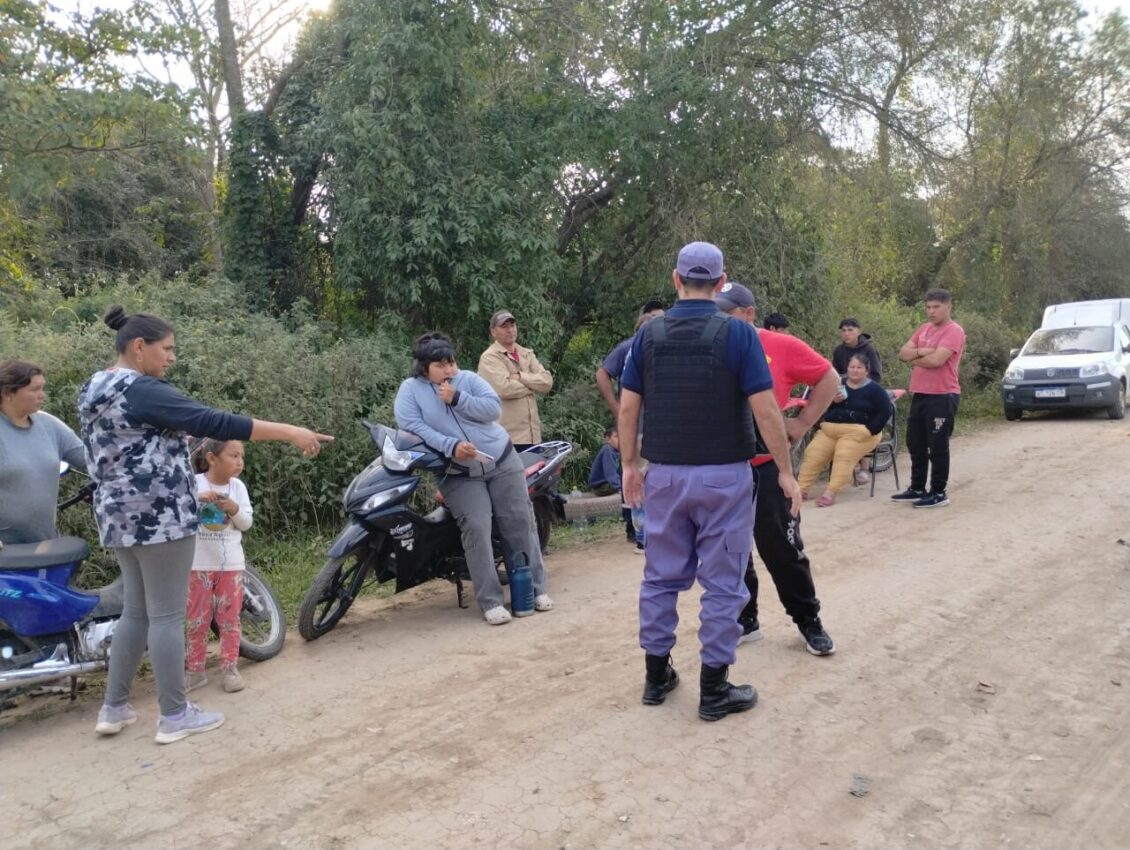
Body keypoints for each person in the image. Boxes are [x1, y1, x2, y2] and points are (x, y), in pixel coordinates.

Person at [80, 306, 332, 745]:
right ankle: (174, 715)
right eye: (166, 349)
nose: (172, 357)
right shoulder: (142, 389)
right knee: (165, 615)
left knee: (137, 611)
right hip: (159, 515)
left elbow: (145, 440)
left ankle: (114, 707)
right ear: (139, 348)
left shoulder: (95, 388)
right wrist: (290, 431)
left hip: (118, 515)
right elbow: (214, 422)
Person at [619, 242, 800, 722]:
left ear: (676, 279)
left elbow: (629, 408)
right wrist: (785, 471)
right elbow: (766, 410)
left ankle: (656, 677)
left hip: (665, 477)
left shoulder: (648, 335)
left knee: (660, 578)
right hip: (724, 477)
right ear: (721, 284)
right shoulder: (738, 334)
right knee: (723, 584)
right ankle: (714, 689)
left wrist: (630, 464)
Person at [714, 281, 841, 656]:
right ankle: (745, 619)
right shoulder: (709, 343)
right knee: (729, 550)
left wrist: (802, 423)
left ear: (749, 313)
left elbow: (829, 378)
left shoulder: (779, 345)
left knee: (782, 549)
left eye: (727, 312)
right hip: (723, 468)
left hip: (767, 467)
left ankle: (808, 620)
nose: (720, 319)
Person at [395, 332, 553, 626]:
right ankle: (491, 601)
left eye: (451, 362)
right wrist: (450, 446)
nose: (449, 369)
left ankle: (536, 588)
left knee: (519, 521)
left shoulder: (467, 380)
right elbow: (413, 426)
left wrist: (458, 398)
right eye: (441, 365)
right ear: (424, 367)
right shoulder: (410, 391)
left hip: (501, 459)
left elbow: (494, 408)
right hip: (459, 473)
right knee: (477, 527)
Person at [185, 439, 253, 695]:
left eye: (241, 456)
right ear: (212, 459)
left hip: (230, 565)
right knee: (196, 619)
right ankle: (195, 670)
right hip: (197, 563)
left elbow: (246, 523)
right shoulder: (193, 483)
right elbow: (179, 514)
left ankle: (230, 667)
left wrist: (234, 509)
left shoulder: (238, 488)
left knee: (230, 618)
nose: (239, 462)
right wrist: (197, 499)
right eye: (233, 456)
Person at [595, 301, 665, 548]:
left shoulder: (658, 348)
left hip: (654, 426)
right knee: (638, 477)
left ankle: (649, 534)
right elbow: (602, 373)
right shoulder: (631, 347)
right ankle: (642, 535)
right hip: (637, 427)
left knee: (647, 478)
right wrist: (617, 408)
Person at [0, 359, 88, 545]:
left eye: (43, 388)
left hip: (44, 543)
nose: (42, 396)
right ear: (7, 393)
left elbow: (92, 460)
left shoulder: (48, 424)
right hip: (5, 549)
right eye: (35, 389)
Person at [893, 289, 965, 508]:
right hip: (920, 393)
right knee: (915, 443)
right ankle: (917, 488)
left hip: (942, 396)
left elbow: (937, 361)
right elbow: (902, 353)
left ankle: (938, 492)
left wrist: (915, 357)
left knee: (937, 445)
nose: (931, 311)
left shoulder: (954, 331)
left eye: (936, 307)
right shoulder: (924, 329)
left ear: (948, 307)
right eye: (928, 307)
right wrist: (924, 351)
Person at [796, 353, 893, 507]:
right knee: (813, 453)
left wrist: (869, 430)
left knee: (844, 455)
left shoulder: (875, 389)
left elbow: (885, 411)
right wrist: (832, 400)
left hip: (859, 432)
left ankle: (831, 492)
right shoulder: (837, 385)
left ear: (866, 370)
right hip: (830, 429)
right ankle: (801, 489)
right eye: (852, 367)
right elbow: (820, 405)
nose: (855, 370)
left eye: (859, 367)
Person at [476, 310, 554, 451]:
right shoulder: (489, 357)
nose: (510, 330)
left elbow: (547, 382)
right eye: (504, 326)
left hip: (533, 436)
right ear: (493, 332)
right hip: (507, 438)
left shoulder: (526, 353)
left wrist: (520, 377)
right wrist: (533, 385)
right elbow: (505, 388)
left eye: (512, 325)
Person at [587, 425, 621, 497]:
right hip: (601, 486)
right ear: (608, 439)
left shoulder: (617, 452)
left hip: (609, 483)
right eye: (616, 436)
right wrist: (620, 488)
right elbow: (611, 474)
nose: (620, 440)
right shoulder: (607, 450)